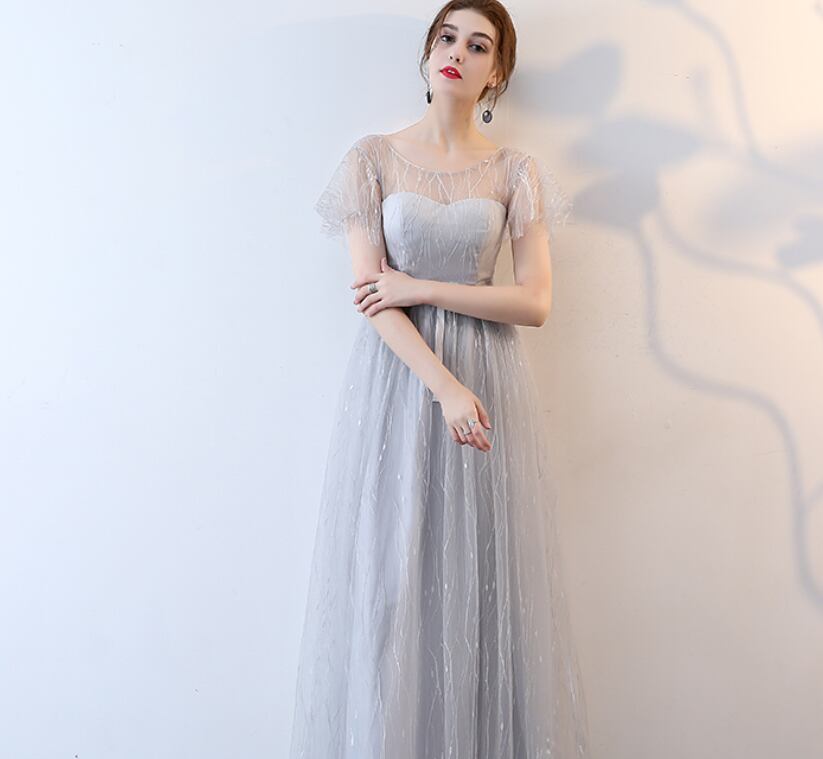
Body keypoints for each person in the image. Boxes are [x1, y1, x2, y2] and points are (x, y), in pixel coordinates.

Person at [289, 2, 590, 757]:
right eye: (447, 37)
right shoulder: (372, 159)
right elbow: (372, 296)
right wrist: (442, 386)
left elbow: (535, 302)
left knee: (482, 581)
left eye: (478, 45)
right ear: (428, 53)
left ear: (498, 73)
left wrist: (421, 287)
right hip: (399, 385)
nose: (457, 51)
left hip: (489, 383)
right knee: (391, 582)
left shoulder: (515, 171)